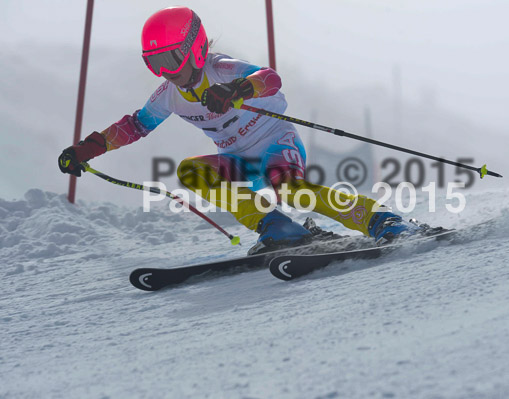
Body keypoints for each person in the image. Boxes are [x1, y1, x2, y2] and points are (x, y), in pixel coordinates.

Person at [58, 6, 421, 254]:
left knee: (290, 188)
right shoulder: (168, 95)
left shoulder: (224, 70)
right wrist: (87, 149)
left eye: (170, 59)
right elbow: (135, 124)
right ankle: (278, 228)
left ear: (194, 47)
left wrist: (237, 91)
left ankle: (381, 220)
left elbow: (271, 78)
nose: (167, 72)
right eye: (155, 63)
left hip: (276, 144)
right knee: (191, 171)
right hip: (239, 162)